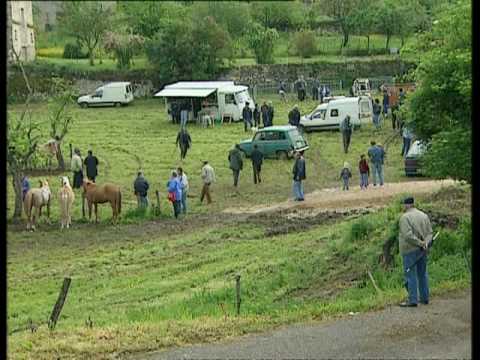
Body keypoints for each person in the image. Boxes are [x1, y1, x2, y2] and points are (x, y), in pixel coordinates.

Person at [398, 196, 432, 307]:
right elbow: (430, 233)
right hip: (422, 250)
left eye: (403, 204)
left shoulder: (405, 218)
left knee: (410, 275)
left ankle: (412, 300)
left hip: (409, 250)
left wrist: (420, 243)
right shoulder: (424, 216)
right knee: (422, 274)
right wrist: (426, 243)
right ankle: (425, 298)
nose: (403, 206)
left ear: (406, 205)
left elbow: (407, 236)